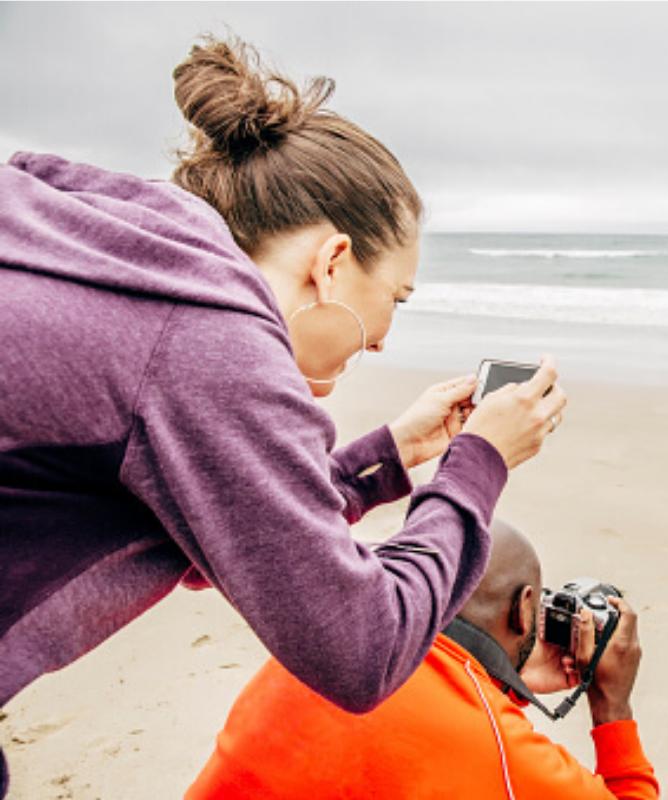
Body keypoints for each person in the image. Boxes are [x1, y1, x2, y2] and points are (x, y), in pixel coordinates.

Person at [0, 36, 567, 796]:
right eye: (395, 297)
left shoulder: (114, 255)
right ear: (333, 262)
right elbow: (362, 649)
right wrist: (479, 464)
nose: (389, 334)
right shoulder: (206, 342)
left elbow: (229, 538)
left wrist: (388, 457)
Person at [186, 520, 658, 799]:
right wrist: (611, 705)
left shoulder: (315, 653)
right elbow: (468, 745)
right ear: (523, 608)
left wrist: (503, 680)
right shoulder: (489, 740)